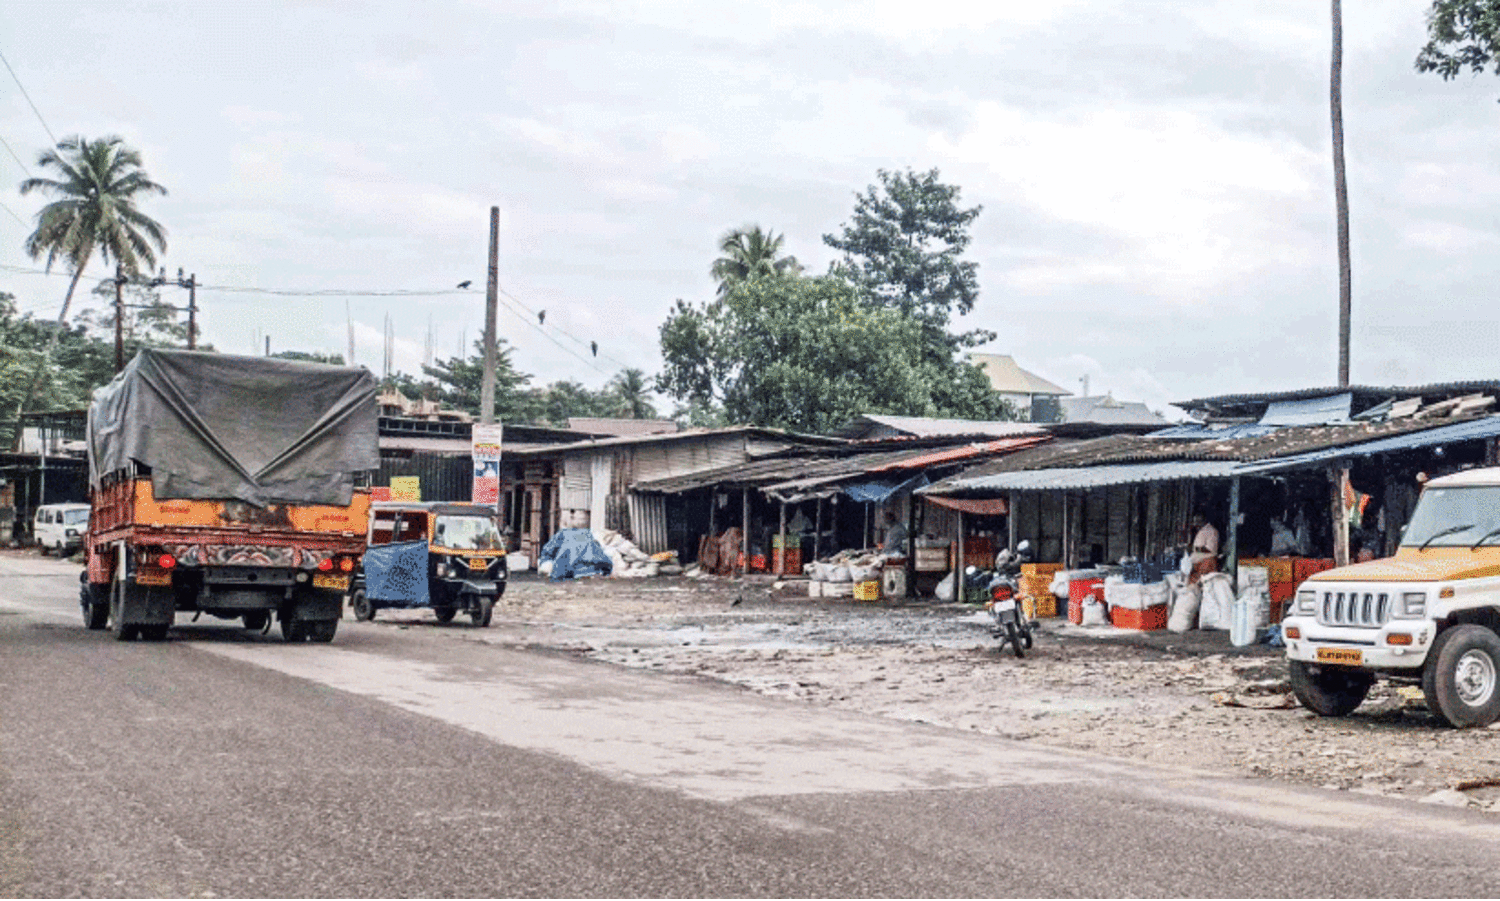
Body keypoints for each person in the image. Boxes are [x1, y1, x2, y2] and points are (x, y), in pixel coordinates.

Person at [1186, 511, 1219, 584]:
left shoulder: (1211, 531)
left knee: (1201, 584)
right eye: (1195, 522)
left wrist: (1193, 548)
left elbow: (1210, 549)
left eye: (1198, 521)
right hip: (1198, 563)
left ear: (1204, 520)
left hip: (1206, 563)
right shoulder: (1202, 530)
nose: (1195, 524)